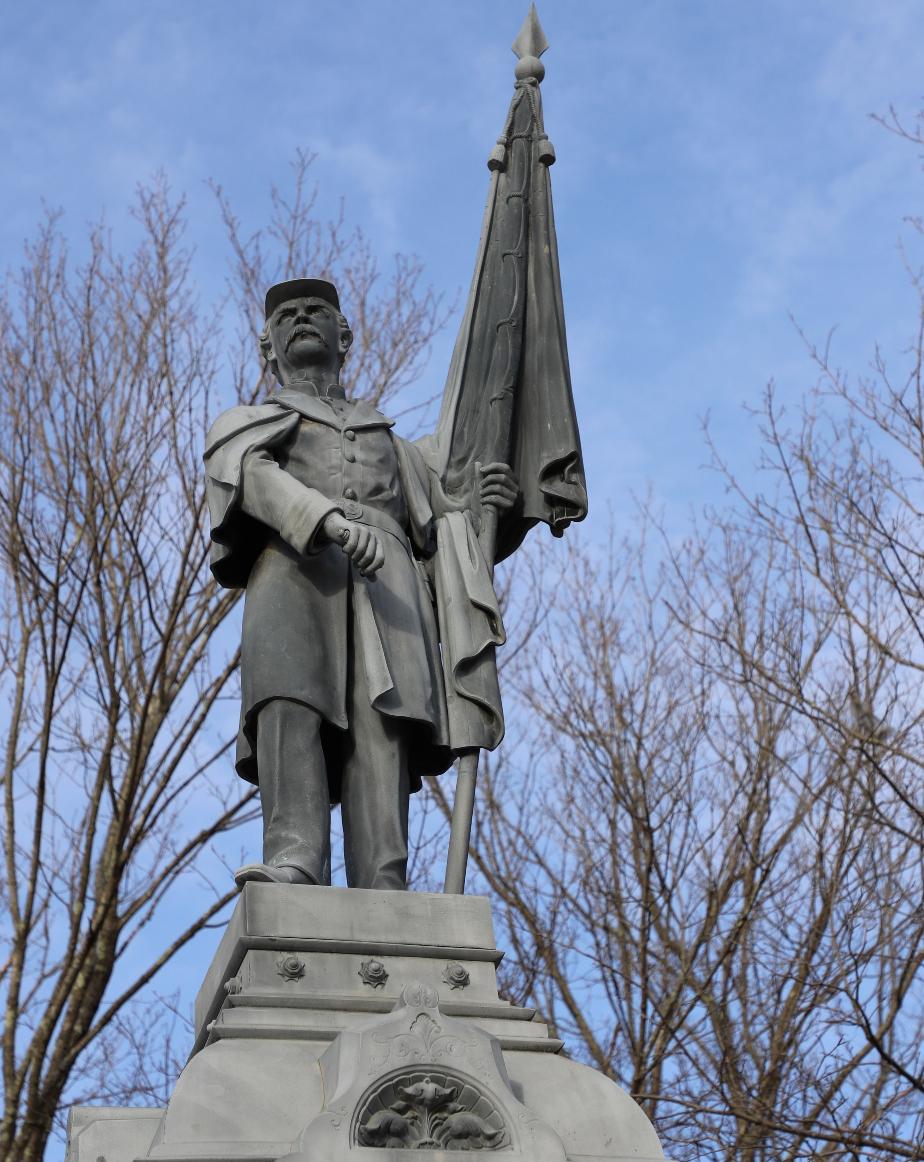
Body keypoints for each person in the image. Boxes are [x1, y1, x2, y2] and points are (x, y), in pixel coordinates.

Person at [204, 279, 516, 889]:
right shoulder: (248, 423)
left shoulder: (397, 446)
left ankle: (384, 878)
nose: (300, 318)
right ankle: (294, 858)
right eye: (286, 316)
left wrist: (486, 503)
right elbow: (247, 474)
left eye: (315, 311)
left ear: (344, 336)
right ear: (267, 347)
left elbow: (452, 533)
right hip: (293, 572)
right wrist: (322, 519)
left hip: (388, 589)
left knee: (384, 727)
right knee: (288, 705)